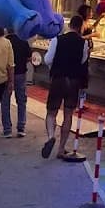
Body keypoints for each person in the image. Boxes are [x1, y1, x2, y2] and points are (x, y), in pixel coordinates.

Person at [42, 15, 88, 159]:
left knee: (51, 112)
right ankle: (61, 149)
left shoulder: (57, 40)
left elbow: (48, 59)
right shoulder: (84, 43)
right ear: (81, 27)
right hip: (73, 81)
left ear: (69, 26)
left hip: (58, 79)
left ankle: (50, 136)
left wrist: (54, 67)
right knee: (68, 114)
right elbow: (83, 61)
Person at [1, 31, 30, 138]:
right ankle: (21, 127)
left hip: (6, 74)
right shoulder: (23, 41)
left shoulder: (4, 42)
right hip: (21, 73)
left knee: (5, 101)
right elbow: (28, 57)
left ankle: (7, 129)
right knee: (21, 100)